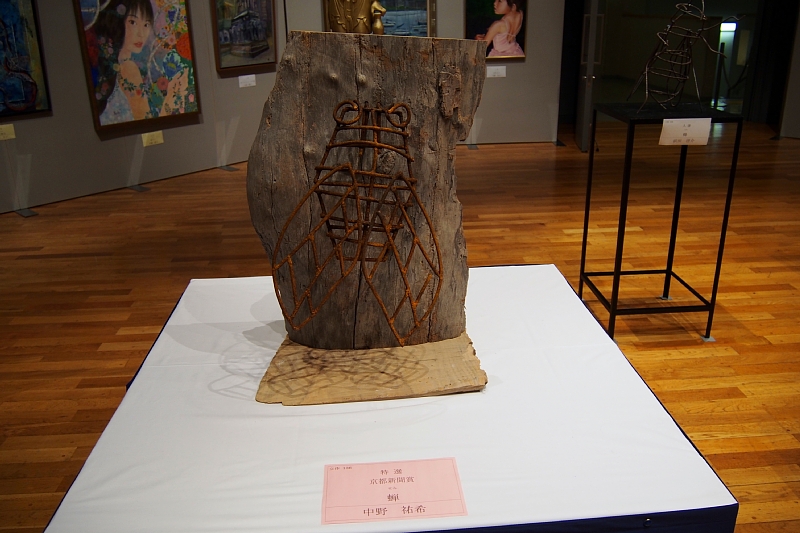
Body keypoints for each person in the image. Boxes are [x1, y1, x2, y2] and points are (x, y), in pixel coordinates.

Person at [93, 0, 188, 125]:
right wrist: (172, 95)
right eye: (133, 22)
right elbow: (149, 126)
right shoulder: (128, 68)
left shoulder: (116, 66)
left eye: (146, 24)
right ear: (117, 21)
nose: (141, 34)